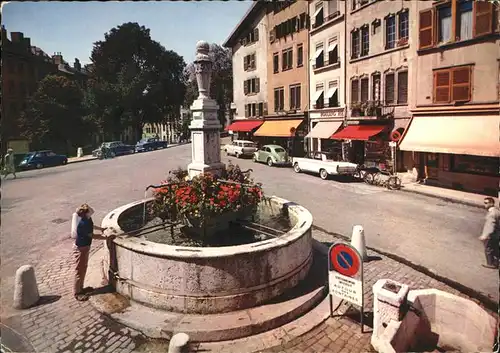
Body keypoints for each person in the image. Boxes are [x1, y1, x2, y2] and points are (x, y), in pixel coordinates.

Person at [73, 204, 112, 301]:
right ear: (87, 213)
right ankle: (77, 293)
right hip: (81, 248)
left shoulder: (88, 219)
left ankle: (81, 288)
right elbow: (92, 235)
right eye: (90, 209)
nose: (92, 209)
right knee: (80, 270)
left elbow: (92, 226)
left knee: (83, 268)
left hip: (85, 247)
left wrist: (101, 229)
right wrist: (106, 238)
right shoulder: (84, 223)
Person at [479, 197, 499, 269]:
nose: (485, 205)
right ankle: (497, 262)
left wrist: (485, 236)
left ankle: (490, 263)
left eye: (486, 203)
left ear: (491, 203)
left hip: (490, 235)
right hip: (496, 234)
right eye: (484, 203)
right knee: (496, 248)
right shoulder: (497, 211)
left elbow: (490, 226)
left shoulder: (491, 214)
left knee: (488, 249)